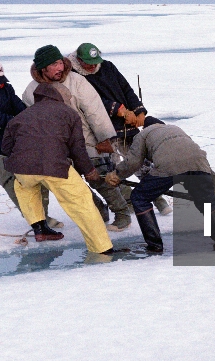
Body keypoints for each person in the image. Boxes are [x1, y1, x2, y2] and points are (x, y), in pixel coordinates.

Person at [22, 44, 135, 232]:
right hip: (59, 147)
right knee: (74, 187)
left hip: (87, 140)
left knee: (99, 178)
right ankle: (99, 211)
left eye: (60, 62)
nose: (59, 68)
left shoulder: (76, 81)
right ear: (43, 68)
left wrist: (105, 138)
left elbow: (95, 111)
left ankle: (122, 214)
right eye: (53, 65)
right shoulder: (31, 91)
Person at [2, 83, 115, 254]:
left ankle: (40, 229)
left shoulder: (21, 116)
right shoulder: (70, 114)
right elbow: (77, 149)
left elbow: (6, 148)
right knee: (81, 202)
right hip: (54, 167)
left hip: (22, 168)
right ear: (60, 98)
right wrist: (89, 170)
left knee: (25, 187)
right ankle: (102, 248)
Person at [68, 42, 171, 216]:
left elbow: (126, 88)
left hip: (127, 126)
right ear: (79, 60)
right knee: (114, 169)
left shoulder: (107, 66)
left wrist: (139, 111)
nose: (93, 66)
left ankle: (158, 197)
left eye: (95, 62)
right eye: (88, 63)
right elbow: (92, 101)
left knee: (140, 162)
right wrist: (119, 110)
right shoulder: (74, 76)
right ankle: (128, 202)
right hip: (103, 128)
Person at [105, 117, 215, 252]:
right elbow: (197, 157)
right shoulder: (176, 129)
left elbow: (134, 162)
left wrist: (117, 174)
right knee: (208, 202)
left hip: (168, 166)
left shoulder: (144, 134)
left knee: (139, 198)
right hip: (199, 165)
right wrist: (214, 185)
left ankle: (155, 245)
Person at [0, 60, 61, 228]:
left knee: (35, 178)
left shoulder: (6, 89)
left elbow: (19, 108)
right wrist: (17, 122)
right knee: (13, 183)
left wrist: (29, 118)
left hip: (13, 144)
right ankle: (38, 223)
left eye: (0, 81)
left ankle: (43, 217)